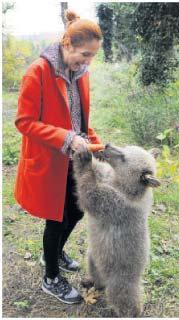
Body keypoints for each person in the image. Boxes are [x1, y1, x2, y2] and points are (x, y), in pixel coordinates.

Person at [14, 9, 103, 304]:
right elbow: (24, 122)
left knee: (77, 209)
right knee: (56, 218)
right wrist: (66, 138)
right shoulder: (37, 72)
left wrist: (95, 142)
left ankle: (52, 254)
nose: (88, 62)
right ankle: (51, 277)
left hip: (74, 160)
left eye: (92, 56)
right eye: (85, 54)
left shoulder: (80, 74)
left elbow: (79, 119)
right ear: (67, 45)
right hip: (49, 162)